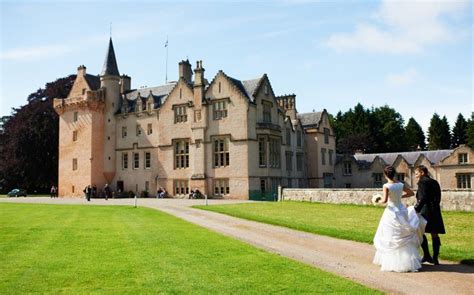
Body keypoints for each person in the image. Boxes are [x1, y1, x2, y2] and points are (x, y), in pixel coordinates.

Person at [373, 166, 426, 272]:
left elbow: (384, 200)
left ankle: (391, 262)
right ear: (394, 174)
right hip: (401, 209)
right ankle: (408, 261)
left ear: (385, 175)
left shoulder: (386, 186)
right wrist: (399, 197)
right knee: (402, 234)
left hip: (391, 211)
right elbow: (411, 193)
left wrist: (376, 200)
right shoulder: (400, 184)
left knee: (391, 235)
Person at [414, 165, 446, 265]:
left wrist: (416, 209)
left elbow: (423, 197)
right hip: (435, 210)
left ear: (422, 172)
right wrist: (435, 206)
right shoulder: (434, 182)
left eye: (416, 173)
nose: (416, 176)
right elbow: (438, 196)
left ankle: (427, 255)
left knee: (421, 231)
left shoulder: (422, 181)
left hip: (425, 210)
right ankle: (435, 258)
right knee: (434, 234)